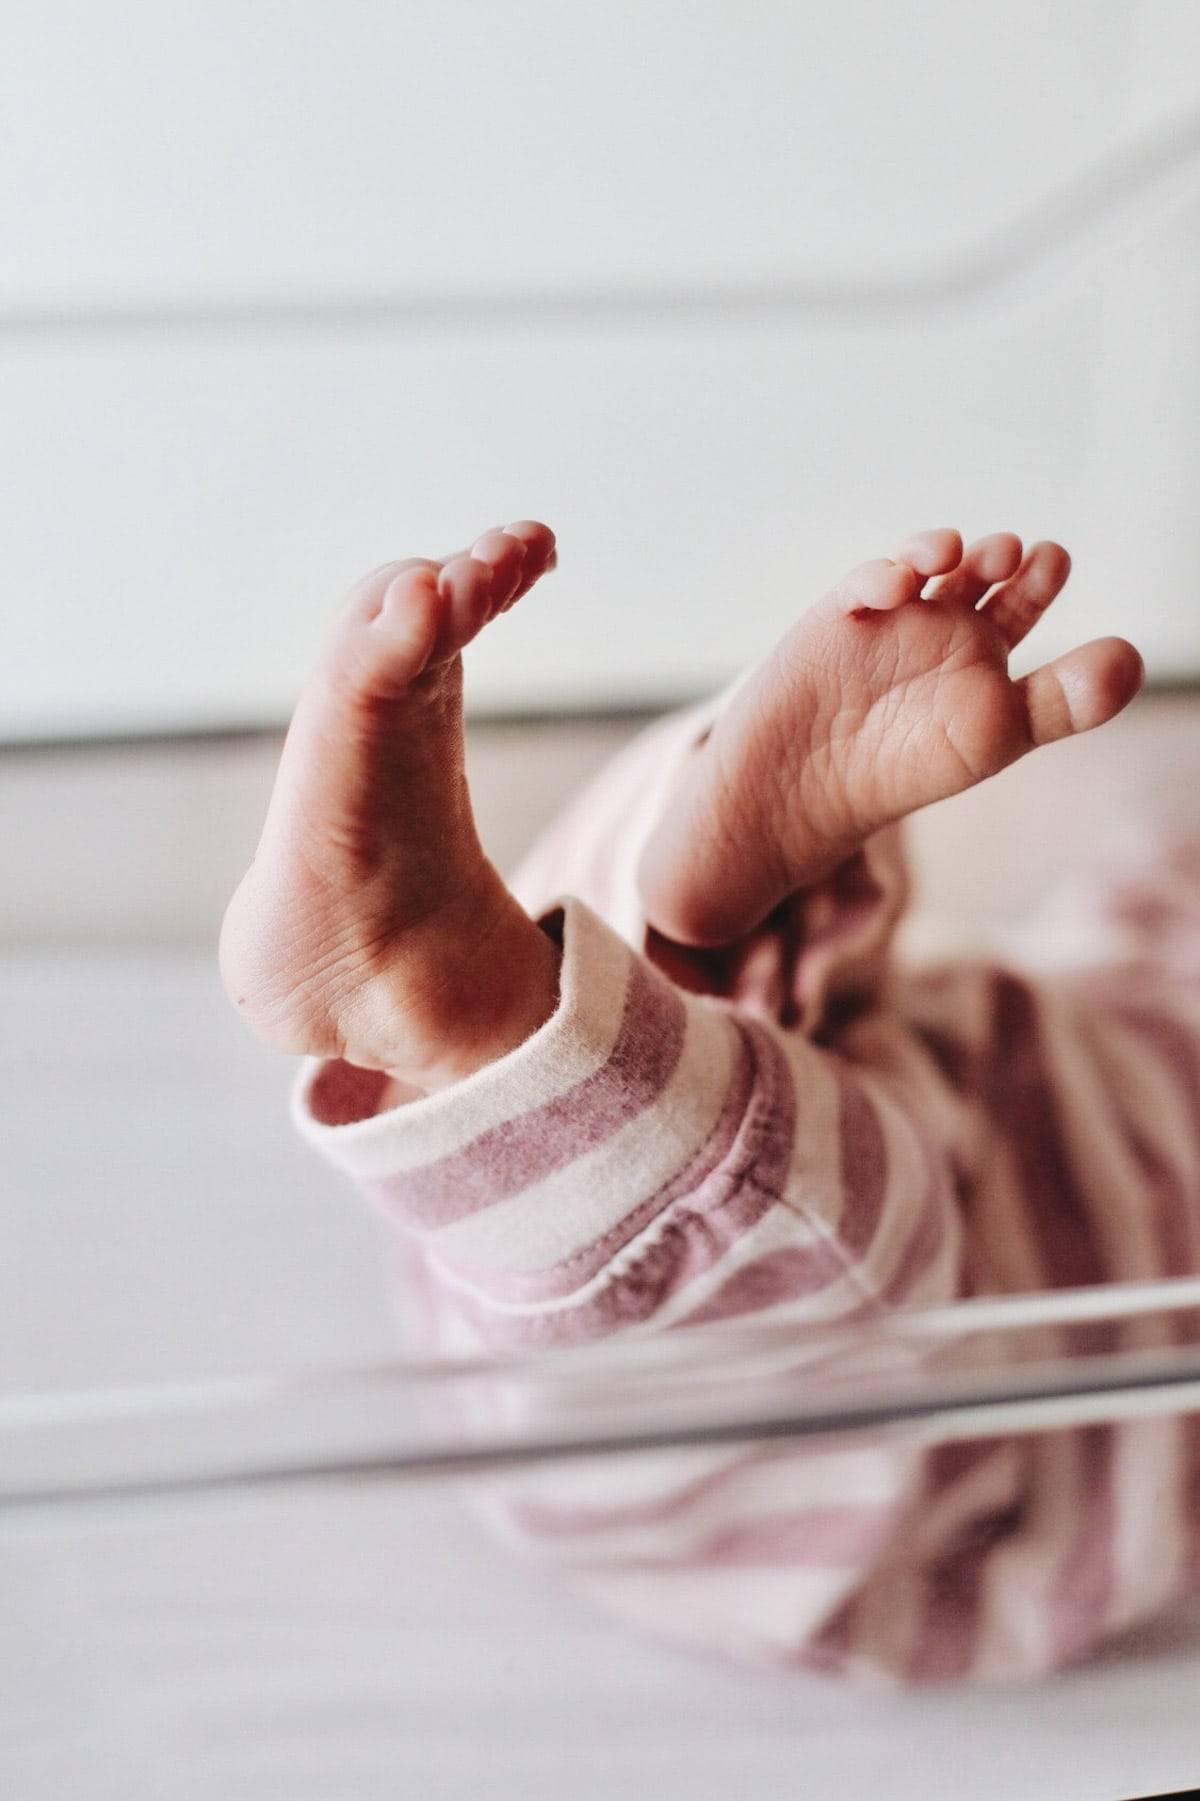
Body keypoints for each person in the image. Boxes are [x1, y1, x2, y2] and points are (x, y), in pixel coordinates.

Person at [221, 521, 1200, 1681]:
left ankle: (541, 992)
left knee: (774, 1194)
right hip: (1049, 1103)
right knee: (778, 1113)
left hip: (993, 1377)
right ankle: (629, 955)